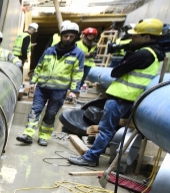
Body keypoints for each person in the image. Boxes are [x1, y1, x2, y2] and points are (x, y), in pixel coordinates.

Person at [69, 19, 165, 167]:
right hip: (126, 96)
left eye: (136, 36)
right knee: (106, 128)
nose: (132, 38)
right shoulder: (152, 53)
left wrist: (128, 55)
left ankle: (90, 158)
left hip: (122, 96)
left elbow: (115, 72)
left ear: (147, 37)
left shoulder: (144, 54)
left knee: (105, 129)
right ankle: (91, 157)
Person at [16, 22, 85, 147]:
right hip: (42, 87)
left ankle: (43, 136)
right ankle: (28, 134)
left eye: (71, 36)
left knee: (50, 114)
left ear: (75, 37)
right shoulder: (49, 51)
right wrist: (33, 81)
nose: (68, 39)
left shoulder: (78, 54)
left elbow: (77, 74)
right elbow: (39, 66)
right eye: (65, 36)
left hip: (59, 90)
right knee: (34, 111)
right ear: (61, 36)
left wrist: (74, 91)